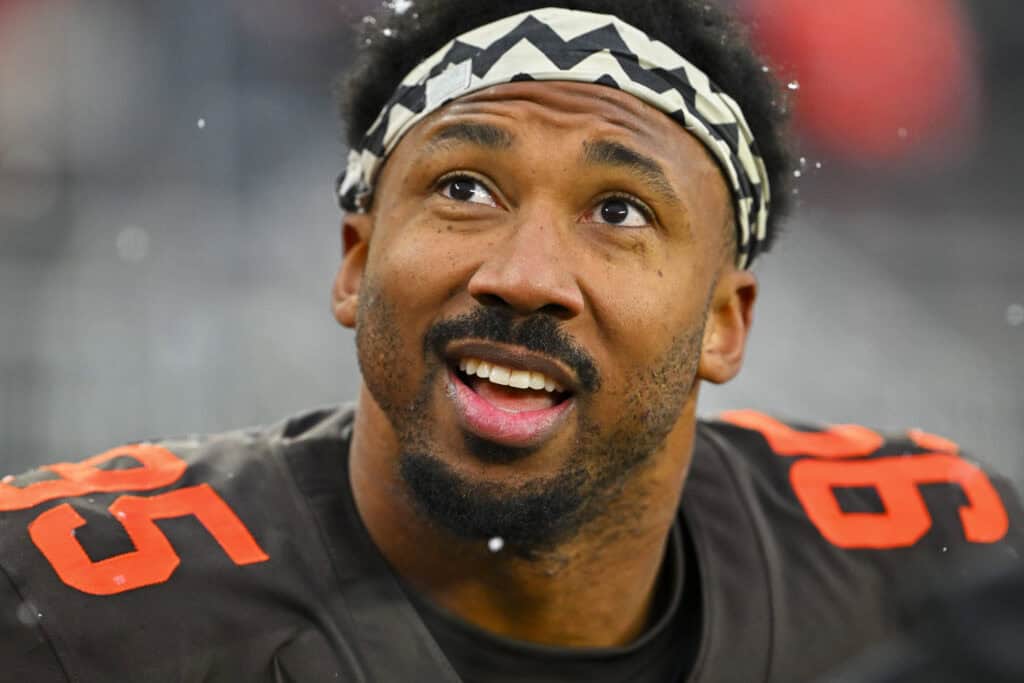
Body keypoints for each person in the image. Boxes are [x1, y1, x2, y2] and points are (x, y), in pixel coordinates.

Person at [0, 1, 1020, 681]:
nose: (524, 275)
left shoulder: (940, 561)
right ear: (354, 262)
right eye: (464, 189)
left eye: (619, 210)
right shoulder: (60, 602)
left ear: (723, 321)